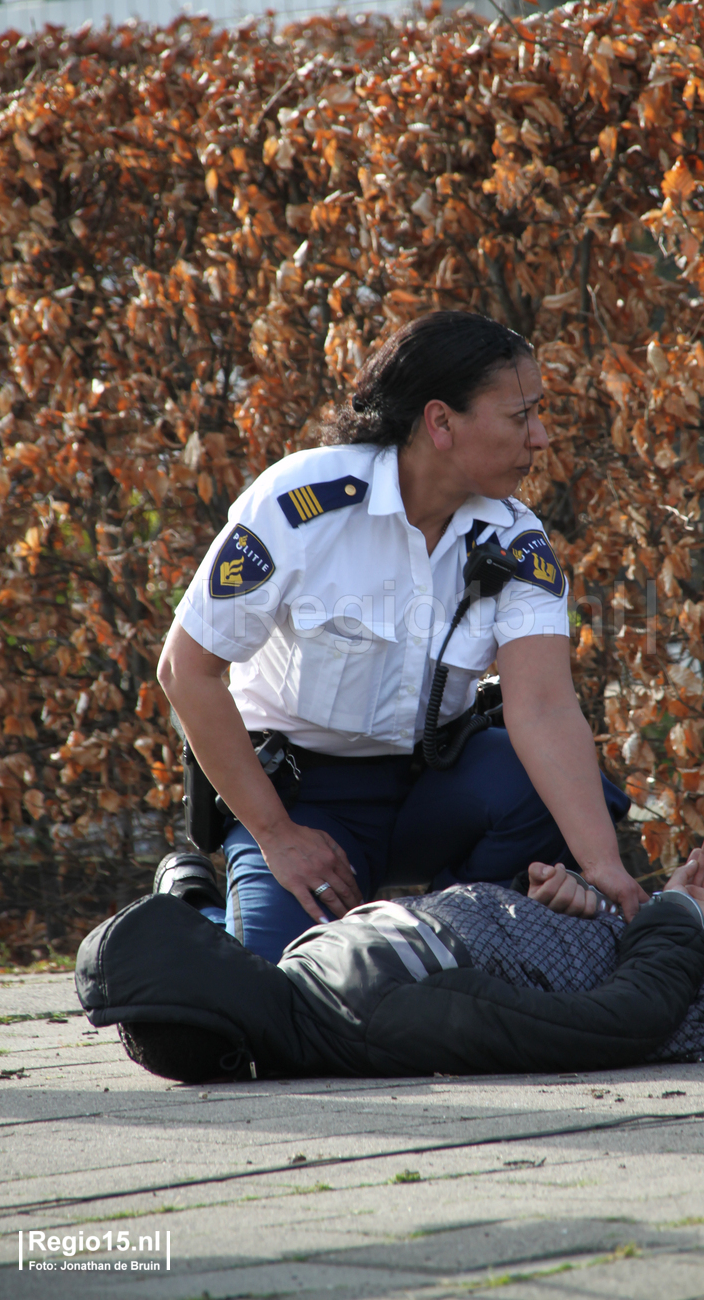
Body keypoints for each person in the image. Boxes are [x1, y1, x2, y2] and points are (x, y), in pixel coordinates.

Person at [156, 310, 644, 963]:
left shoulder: (516, 538)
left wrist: (604, 867)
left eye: (540, 412)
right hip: (308, 800)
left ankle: (442, 942)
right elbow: (186, 671)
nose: (542, 436)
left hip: (434, 785)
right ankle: (193, 903)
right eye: (519, 415)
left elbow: (546, 708)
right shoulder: (300, 504)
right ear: (441, 422)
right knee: (280, 988)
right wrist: (276, 833)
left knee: (532, 795)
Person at [76, 835, 704, 1083]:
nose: (218, 931)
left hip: (696, 927)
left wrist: (557, 900)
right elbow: (620, 1023)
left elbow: (507, 951)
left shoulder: (302, 968)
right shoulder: (379, 1015)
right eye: (203, 937)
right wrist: (674, 914)